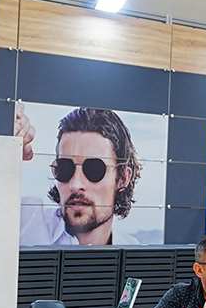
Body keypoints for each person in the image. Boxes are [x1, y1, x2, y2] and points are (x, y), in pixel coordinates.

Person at [17, 105, 144, 247]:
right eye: (65, 168)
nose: (75, 184)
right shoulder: (24, 223)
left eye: (94, 170)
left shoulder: (135, 253)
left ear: (123, 178)